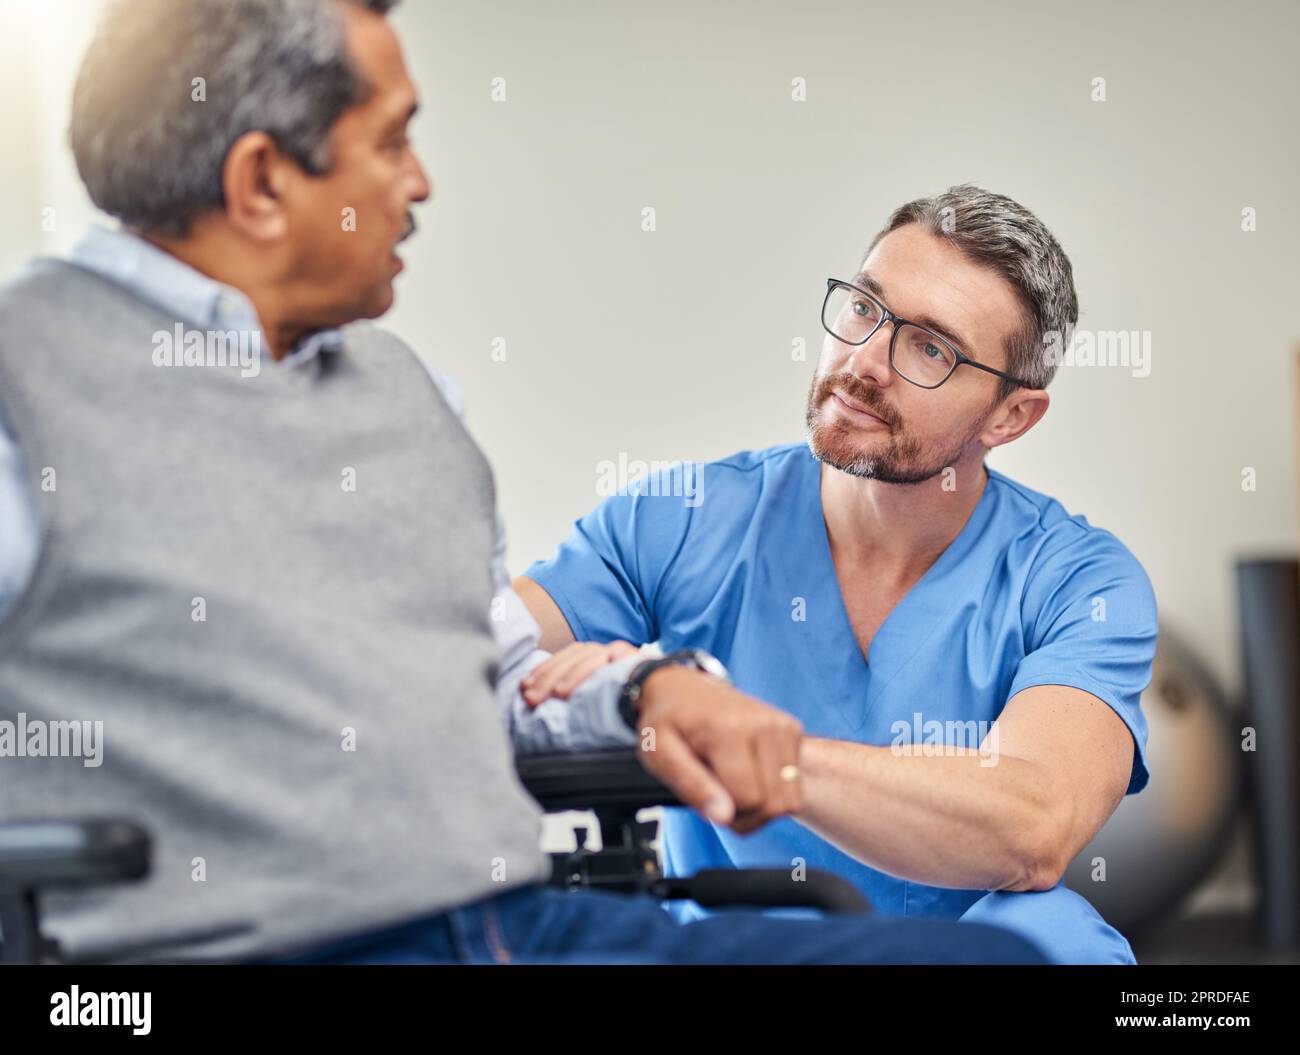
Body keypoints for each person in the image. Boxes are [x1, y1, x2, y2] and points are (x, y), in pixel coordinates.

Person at [0, 0, 1046, 965]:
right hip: (241, 947)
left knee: (990, 964)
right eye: (392, 139)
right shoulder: (26, 380)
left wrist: (647, 688)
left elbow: (491, 679)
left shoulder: (408, 398)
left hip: (510, 922)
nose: (419, 183)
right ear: (263, 181)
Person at [517, 185, 1158, 964]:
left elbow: (1032, 827)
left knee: (1062, 942)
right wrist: (627, 690)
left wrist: (762, 750)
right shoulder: (680, 517)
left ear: (1009, 417)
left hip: (966, 954)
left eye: (930, 347)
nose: (864, 363)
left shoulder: (1078, 581)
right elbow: (461, 661)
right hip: (727, 946)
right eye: (864, 308)